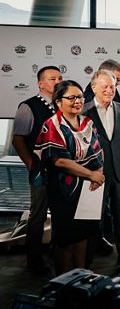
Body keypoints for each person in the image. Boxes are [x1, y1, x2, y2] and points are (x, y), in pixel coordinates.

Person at [35, 80, 105, 275]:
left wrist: (98, 174)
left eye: (80, 97)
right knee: (66, 240)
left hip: (88, 189)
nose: (77, 101)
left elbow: (98, 153)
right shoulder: (52, 125)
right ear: (58, 102)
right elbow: (60, 161)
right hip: (64, 191)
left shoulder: (87, 123)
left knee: (83, 236)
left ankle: (80, 277)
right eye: (71, 97)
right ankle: (63, 283)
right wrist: (91, 174)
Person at [84, 70, 120, 265]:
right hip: (95, 175)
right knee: (93, 217)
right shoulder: (84, 112)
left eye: (112, 87)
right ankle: (88, 258)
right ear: (93, 87)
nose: (109, 90)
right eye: (105, 86)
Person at [12, 65, 62, 274]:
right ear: (40, 83)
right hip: (41, 169)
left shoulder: (63, 105)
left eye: (60, 78)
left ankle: (56, 252)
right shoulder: (28, 106)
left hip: (62, 170)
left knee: (61, 213)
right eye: (52, 79)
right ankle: (34, 259)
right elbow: (18, 140)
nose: (58, 81)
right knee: (38, 215)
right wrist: (30, 163)